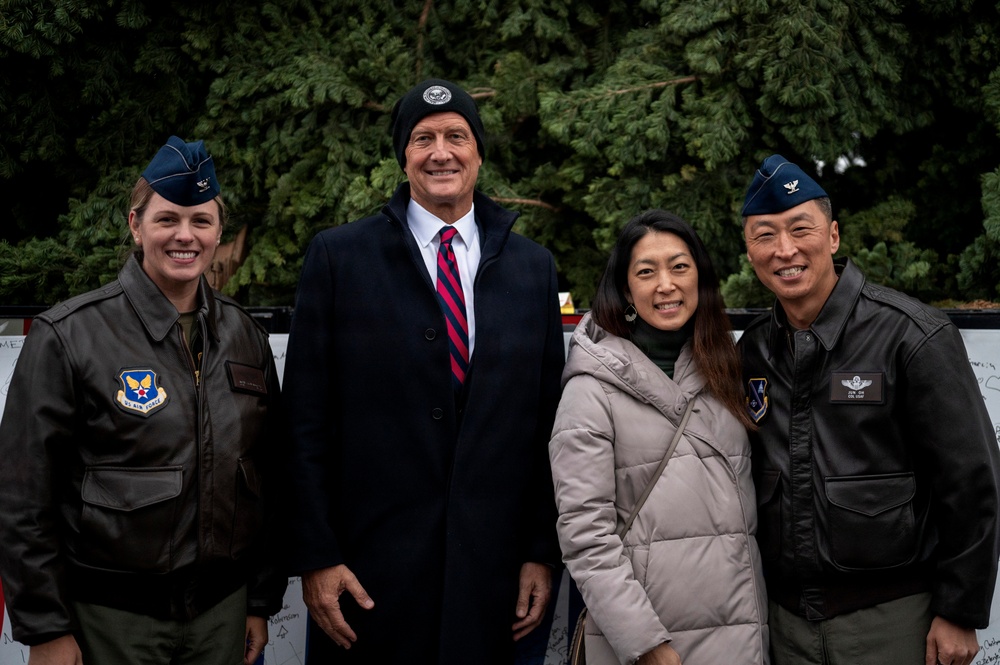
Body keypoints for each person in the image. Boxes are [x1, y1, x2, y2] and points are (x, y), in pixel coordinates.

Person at [281, 78, 565, 663]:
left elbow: (547, 425)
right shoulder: (339, 258)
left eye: (456, 136)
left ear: (478, 152)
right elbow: (304, 422)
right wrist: (317, 557)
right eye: (423, 138)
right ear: (403, 156)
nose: (441, 153)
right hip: (367, 585)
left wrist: (541, 550)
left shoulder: (532, 268)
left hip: (493, 584)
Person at [0, 136, 287, 665]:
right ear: (136, 225)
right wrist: (45, 628)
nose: (185, 235)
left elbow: (269, 477)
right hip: (109, 620)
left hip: (220, 616)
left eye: (201, 221)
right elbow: (23, 496)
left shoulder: (245, 337)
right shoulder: (70, 335)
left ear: (218, 231)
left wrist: (259, 601)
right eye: (167, 219)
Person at [738, 154, 1000, 665]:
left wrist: (960, 609)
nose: (784, 249)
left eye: (800, 229)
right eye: (765, 235)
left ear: (833, 236)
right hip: (785, 624)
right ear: (750, 252)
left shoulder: (910, 335)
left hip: (893, 619)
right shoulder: (753, 351)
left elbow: (972, 480)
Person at [549, 210, 769, 665]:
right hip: (651, 643)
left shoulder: (726, 370)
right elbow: (586, 535)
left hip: (742, 633)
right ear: (626, 290)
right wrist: (644, 642)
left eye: (679, 267)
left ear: (700, 278)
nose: (666, 284)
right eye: (646, 272)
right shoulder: (591, 390)